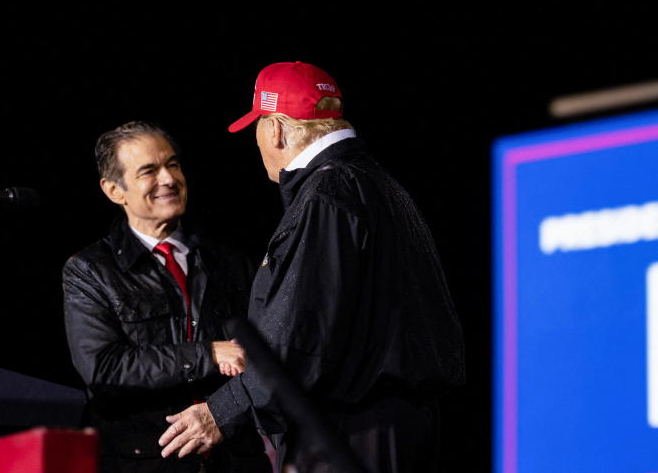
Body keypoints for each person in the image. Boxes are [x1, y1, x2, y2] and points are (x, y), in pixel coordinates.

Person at [158, 62, 465, 472]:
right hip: (402, 427)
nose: (258, 141)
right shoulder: (378, 184)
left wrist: (220, 412)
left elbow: (300, 338)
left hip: (353, 433)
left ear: (277, 130)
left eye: (257, 126)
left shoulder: (326, 195)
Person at [63, 121, 273, 472]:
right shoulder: (89, 271)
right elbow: (103, 368)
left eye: (172, 164)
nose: (169, 179)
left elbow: (269, 356)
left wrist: (226, 417)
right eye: (149, 171)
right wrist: (207, 353)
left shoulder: (231, 261)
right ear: (114, 190)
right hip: (147, 461)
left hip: (236, 458)